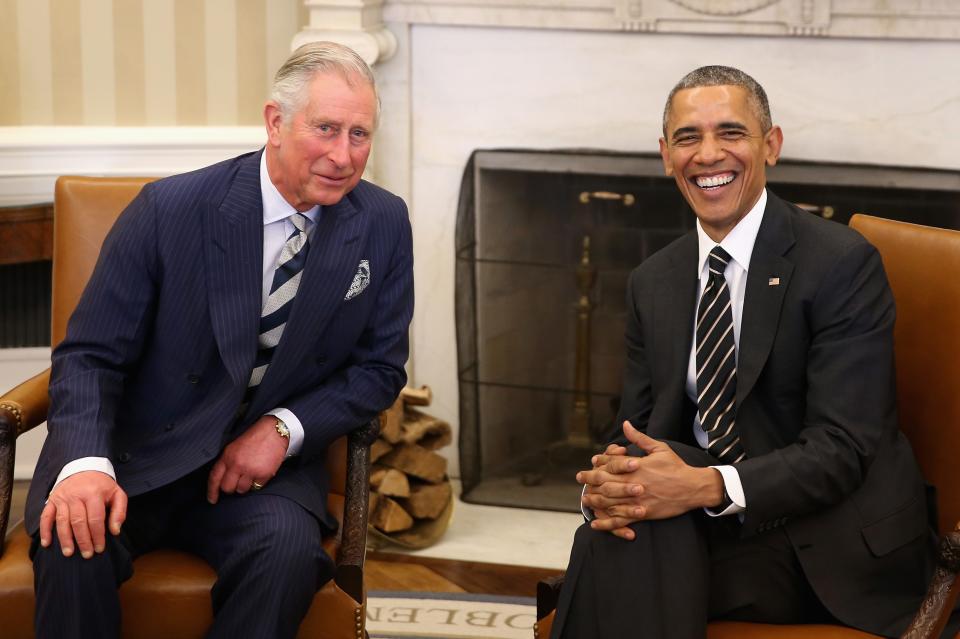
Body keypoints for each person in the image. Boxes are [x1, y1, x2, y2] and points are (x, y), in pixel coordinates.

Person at [25, 41, 413, 639]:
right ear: (275, 122)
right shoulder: (169, 209)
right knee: (74, 536)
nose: (343, 155)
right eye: (326, 128)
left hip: (260, 479)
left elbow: (379, 370)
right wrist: (83, 464)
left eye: (359, 135)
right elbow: (90, 357)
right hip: (135, 453)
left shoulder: (383, 223)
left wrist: (284, 428)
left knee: (285, 556)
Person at [550, 65, 946, 638]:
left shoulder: (840, 264)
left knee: (619, 558)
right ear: (666, 155)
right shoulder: (652, 282)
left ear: (772, 145)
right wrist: (612, 487)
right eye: (688, 138)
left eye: (730, 133)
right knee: (617, 532)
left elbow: (844, 448)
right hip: (711, 524)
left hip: (824, 536)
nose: (708, 155)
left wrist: (704, 486)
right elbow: (635, 430)